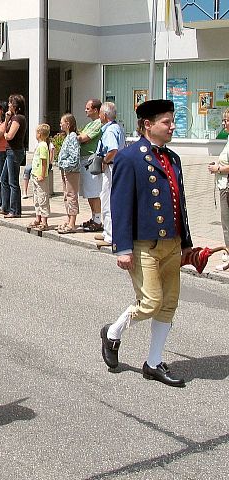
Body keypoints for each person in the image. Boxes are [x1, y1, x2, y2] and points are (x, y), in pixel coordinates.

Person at [101, 99, 193, 387]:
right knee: (151, 302)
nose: (172, 126)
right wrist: (123, 248)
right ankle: (112, 333)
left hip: (172, 243)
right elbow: (120, 205)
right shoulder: (129, 158)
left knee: (169, 304)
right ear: (147, 125)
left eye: (172, 120)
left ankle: (153, 363)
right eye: (166, 122)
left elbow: (180, 202)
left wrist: (186, 243)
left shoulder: (173, 158)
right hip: (144, 245)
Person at [96, 102, 125, 246]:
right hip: (117, 166)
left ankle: (110, 235)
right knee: (108, 197)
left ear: (105, 115)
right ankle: (107, 231)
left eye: (100, 113)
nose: (99, 115)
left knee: (107, 199)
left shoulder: (110, 131)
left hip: (112, 167)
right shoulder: (117, 127)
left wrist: (105, 161)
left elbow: (112, 150)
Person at [208, 107, 229, 270]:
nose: (224, 123)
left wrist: (218, 169)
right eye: (224, 120)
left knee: (227, 223)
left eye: (227, 120)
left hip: (227, 187)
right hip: (224, 184)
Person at [78, 98, 104, 232]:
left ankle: (98, 220)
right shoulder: (90, 124)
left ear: (95, 110)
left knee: (94, 191)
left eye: (88, 108)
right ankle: (93, 217)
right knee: (88, 192)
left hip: (91, 160)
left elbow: (83, 138)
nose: (85, 110)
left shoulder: (97, 123)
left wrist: (72, 135)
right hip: (84, 160)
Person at [0, 94, 27, 218]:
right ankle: (5, 207)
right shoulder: (13, 118)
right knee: (3, 178)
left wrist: (5, 135)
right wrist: (6, 119)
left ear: (15, 105)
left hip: (14, 152)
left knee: (13, 182)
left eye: (10, 103)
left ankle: (15, 210)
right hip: (10, 151)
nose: (8, 105)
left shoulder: (18, 118)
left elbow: (9, 135)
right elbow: (4, 129)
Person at [56, 113, 81, 233]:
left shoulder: (72, 137)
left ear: (68, 124)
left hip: (71, 171)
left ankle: (72, 223)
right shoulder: (68, 137)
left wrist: (64, 165)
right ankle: (68, 219)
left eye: (62, 122)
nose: (60, 124)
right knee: (66, 195)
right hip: (65, 170)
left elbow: (74, 157)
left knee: (71, 195)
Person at [28, 124, 51, 230]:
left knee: (42, 198)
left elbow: (44, 161)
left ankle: (44, 221)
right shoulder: (39, 145)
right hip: (35, 175)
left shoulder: (43, 145)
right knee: (36, 198)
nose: (35, 135)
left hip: (40, 176)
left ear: (40, 134)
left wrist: (42, 174)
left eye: (37, 133)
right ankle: (38, 218)